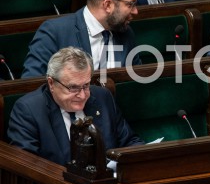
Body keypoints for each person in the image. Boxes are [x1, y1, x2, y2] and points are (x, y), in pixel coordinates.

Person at [8, 47, 144, 166]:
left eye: (86, 85)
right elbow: (26, 166)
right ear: (51, 83)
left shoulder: (103, 97)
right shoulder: (29, 110)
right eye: (73, 88)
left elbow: (129, 141)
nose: (83, 95)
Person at [22, 0, 141, 78]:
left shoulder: (124, 32)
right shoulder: (55, 32)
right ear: (108, 5)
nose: (135, 11)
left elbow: (135, 83)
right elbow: (32, 85)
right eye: (130, 4)